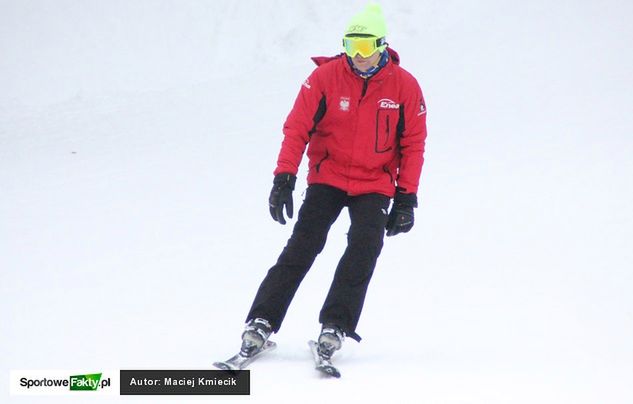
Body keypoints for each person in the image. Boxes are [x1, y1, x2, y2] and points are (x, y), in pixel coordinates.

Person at [240, 2, 427, 361]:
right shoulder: (325, 78)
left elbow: (413, 144)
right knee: (302, 246)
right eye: (350, 45)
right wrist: (284, 176)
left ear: (382, 45)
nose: (357, 55)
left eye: (366, 47)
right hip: (329, 176)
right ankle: (261, 321)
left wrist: (406, 198)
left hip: (374, 183)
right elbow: (297, 128)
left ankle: (335, 325)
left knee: (364, 247)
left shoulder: (405, 87)